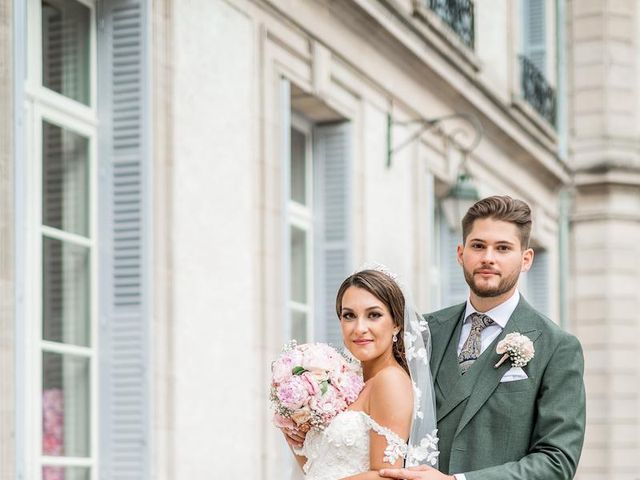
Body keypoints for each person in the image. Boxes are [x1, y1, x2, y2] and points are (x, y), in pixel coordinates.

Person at [380, 195, 586, 480]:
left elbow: (557, 461)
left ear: (526, 259)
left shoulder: (557, 347)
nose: (488, 257)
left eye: (503, 248)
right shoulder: (423, 330)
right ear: (460, 253)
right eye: (478, 246)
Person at [279, 268, 439, 479]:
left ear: (396, 324)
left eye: (374, 315)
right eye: (349, 316)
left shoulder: (390, 381)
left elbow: (387, 475)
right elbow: (318, 467)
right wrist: (291, 426)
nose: (359, 328)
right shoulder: (344, 383)